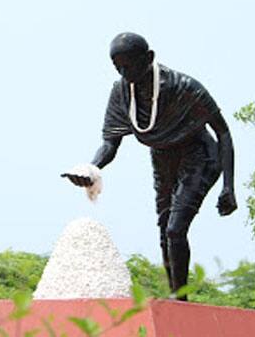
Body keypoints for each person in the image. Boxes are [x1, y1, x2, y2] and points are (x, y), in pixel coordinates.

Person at [62, 32, 237, 300]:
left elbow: (223, 132)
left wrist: (228, 187)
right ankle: (176, 297)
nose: (124, 72)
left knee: (175, 229)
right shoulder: (122, 93)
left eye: (129, 65)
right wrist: (90, 169)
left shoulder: (183, 87)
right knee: (165, 230)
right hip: (163, 156)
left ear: (149, 58)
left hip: (200, 155)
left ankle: (181, 302)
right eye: (118, 66)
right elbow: (110, 144)